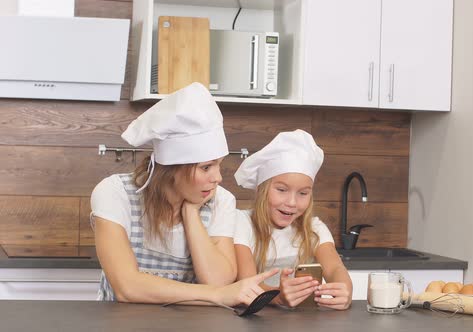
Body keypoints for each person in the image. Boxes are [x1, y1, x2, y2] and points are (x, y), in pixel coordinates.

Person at [90, 82, 277, 306]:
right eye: (206, 167)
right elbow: (127, 287)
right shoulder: (115, 193)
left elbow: (218, 280)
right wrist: (215, 295)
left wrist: (190, 212)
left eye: (219, 165)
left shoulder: (221, 200)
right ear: (172, 169)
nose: (217, 178)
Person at [233, 129, 352, 310]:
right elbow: (248, 283)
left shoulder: (314, 228)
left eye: (303, 193)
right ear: (261, 189)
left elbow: (336, 268)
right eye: (281, 190)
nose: (291, 202)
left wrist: (346, 292)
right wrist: (278, 296)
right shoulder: (241, 223)